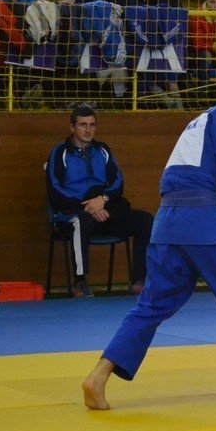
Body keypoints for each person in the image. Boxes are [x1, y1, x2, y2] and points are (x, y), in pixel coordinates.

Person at [81, 72, 216, 410]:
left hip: (169, 223)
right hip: (201, 222)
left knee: (152, 304)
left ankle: (98, 376)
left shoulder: (200, 122)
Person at [46, 104, 154, 298]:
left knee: (145, 220)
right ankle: (80, 282)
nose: (88, 130)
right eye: (83, 125)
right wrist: (89, 207)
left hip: (105, 209)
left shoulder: (103, 150)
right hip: (73, 212)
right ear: (72, 127)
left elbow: (118, 183)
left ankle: (139, 280)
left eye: (92, 125)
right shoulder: (59, 152)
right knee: (80, 220)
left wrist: (101, 200)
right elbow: (55, 190)